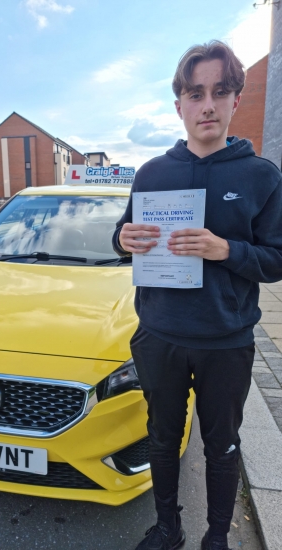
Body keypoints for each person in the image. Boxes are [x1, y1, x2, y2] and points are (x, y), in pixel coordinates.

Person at [112, 40, 282, 550]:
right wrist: (122, 240)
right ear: (179, 105)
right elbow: (125, 237)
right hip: (159, 334)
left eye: (219, 91)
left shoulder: (262, 176)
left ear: (234, 100)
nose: (206, 104)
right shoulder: (152, 173)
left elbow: (275, 259)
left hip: (224, 340)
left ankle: (215, 536)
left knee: (222, 446)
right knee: (162, 439)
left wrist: (224, 248)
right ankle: (168, 527)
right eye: (195, 93)